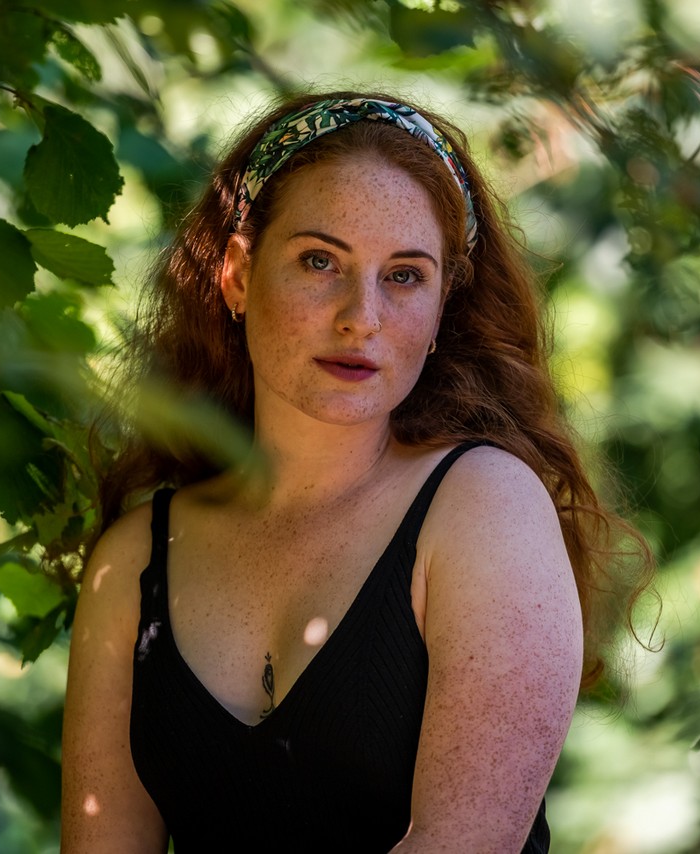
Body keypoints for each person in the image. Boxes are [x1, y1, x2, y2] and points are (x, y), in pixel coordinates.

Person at [61, 91, 649, 852]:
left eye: (404, 276)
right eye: (319, 261)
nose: (360, 317)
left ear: (443, 308)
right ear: (236, 274)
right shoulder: (134, 560)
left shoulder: (482, 507)